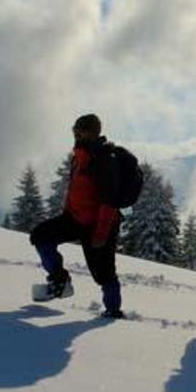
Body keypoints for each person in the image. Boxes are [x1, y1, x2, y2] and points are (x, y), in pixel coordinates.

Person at [29, 114, 124, 319]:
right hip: (75, 219)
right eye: (74, 130)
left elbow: (110, 202)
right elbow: (75, 189)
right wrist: (66, 213)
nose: (74, 133)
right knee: (40, 236)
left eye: (77, 130)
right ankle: (59, 281)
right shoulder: (79, 156)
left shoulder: (103, 159)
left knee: (103, 272)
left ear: (88, 132)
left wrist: (100, 234)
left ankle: (113, 311)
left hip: (99, 225)